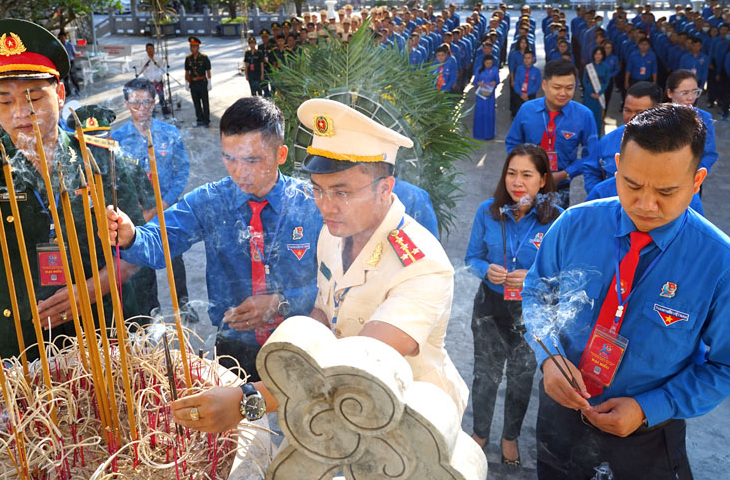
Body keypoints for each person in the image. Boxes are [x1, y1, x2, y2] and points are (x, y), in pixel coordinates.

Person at [151, 97, 469, 433]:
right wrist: (282, 361)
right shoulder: (335, 234)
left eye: (341, 192)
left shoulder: (420, 265)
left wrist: (247, 400)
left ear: (384, 189)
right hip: (340, 414)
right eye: (318, 190)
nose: (326, 205)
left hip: (410, 429)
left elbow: (358, 367)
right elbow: (323, 313)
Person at [522, 104, 730, 480]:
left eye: (666, 191)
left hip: (645, 436)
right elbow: (537, 294)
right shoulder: (574, 225)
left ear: (697, 180)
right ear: (617, 166)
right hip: (561, 415)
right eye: (631, 184)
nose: (646, 204)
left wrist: (650, 406)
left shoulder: (725, 266)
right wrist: (548, 356)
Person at [0, 19, 155, 359]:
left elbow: (139, 248)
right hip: (25, 334)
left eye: (33, 97)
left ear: (60, 94)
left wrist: (92, 289)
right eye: (4, 101)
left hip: (104, 323)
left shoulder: (101, 159)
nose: (21, 113)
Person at [107, 97, 322, 379]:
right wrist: (130, 235)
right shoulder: (211, 200)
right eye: (229, 158)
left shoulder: (311, 204)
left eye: (252, 160)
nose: (239, 171)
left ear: (281, 155)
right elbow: (158, 241)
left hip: (302, 342)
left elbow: (335, 283)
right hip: (235, 344)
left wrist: (282, 302)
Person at [465, 144, 562, 467]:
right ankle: (480, 434)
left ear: (543, 179)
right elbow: (472, 257)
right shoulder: (487, 211)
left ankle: (510, 436)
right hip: (490, 306)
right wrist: (485, 270)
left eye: (526, 175)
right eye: (511, 173)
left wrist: (534, 277)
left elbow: (562, 274)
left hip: (531, 311)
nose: (517, 182)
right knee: (485, 375)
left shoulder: (556, 220)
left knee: (521, 378)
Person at [111, 77, 194, 321]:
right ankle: (151, 311)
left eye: (147, 101)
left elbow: (182, 171)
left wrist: (164, 204)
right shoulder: (117, 139)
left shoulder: (169, 133)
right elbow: (116, 180)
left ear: (154, 101)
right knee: (143, 262)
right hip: (136, 215)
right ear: (127, 104)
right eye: (136, 103)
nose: (142, 108)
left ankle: (184, 305)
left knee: (174, 259)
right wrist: (136, 210)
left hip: (167, 209)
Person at [505, 59, 598, 209]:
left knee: (555, 226)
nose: (563, 93)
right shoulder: (526, 110)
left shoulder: (584, 116)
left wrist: (565, 174)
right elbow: (512, 143)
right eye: (557, 87)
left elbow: (592, 155)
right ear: (544, 85)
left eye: (569, 88)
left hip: (560, 185)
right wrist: (523, 169)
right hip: (525, 182)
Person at [582, 81, 662, 193]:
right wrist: (598, 194)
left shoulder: (672, 146)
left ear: (656, 111)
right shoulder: (608, 141)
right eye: (627, 110)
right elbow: (591, 169)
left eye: (640, 112)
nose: (632, 117)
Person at [666, 69, 718, 173]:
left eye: (695, 92)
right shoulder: (658, 118)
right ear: (670, 93)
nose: (691, 98)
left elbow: (709, 154)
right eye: (684, 93)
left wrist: (694, 174)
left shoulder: (705, 118)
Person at [582, 47, 611, 137]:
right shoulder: (588, 67)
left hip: (600, 95)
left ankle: (597, 136)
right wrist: (590, 92)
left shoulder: (605, 67)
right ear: (593, 55)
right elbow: (584, 80)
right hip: (589, 94)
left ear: (603, 56)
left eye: (600, 54)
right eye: (596, 54)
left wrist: (599, 93)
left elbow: (607, 81)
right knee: (587, 115)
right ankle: (586, 135)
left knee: (598, 117)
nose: (598, 56)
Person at [137, 42, 172, 116]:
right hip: (149, 81)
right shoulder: (144, 60)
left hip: (158, 80)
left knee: (161, 95)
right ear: (146, 50)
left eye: (151, 49)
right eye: (148, 49)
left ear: (154, 49)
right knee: (150, 97)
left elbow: (162, 68)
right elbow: (143, 71)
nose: (150, 50)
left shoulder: (158, 58)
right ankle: (152, 111)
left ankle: (164, 110)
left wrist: (157, 78)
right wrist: (151, 80)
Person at [184, 36, 212, 128]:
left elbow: (208, 71)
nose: (192, 48)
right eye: (191, 46)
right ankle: (199, 120)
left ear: (198, 47)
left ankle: (206, 121)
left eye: (194, 46)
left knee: (205, 102)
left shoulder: (204, 58)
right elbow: (187, 71)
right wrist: (187, 83)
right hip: (193, 83)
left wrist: (209, 82)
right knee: (196, 103)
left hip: (202, 82)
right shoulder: (188, 59)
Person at [473, 54, 498, 140]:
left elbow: (497, 80)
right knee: (480, 113)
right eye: (487, 63)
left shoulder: (495, 70)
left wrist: (494, 83)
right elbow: (475, 80)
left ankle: (489, 134)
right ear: (484, 63)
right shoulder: (479, 69)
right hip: (481, 95)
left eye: (490, 63)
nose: (489, 65)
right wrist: (478, 83)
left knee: (489, 113)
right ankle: (479, 133)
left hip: (490, 95)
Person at [510, 50, 541, 119]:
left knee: (530, 113)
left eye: (529, 58)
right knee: (519, 113)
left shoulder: (536, 71)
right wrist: (520, 93)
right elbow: (516, 82)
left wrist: (528, 93)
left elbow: (537, 85)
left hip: (530, 95)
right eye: (525, 58)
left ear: (533, 59)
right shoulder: (519, 69)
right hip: (519, 95)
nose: (526, 60)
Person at [57, 31, 80, 96]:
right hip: (63, 63)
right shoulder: (59, 46)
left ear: (65, 37)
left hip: (71, 61)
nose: (62, 39)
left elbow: (74, 52)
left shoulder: (69, 44)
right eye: (60, 38)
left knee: (73, 77)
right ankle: (68, 92)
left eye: (63, 37)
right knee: (65, 78)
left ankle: (77, 90)